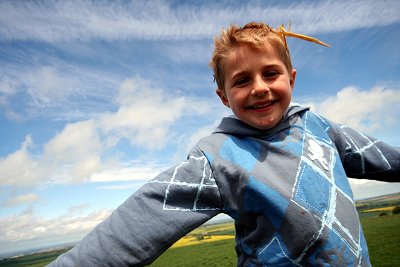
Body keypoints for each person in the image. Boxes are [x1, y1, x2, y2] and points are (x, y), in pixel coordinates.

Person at [48, 22, 399, 266]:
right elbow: (138, 221)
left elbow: (385, 157)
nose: (259, 87)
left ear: (291, 79)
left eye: (271, 73)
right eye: (242, 80)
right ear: (223, 97)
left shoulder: (320, 128)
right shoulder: (217, 160)